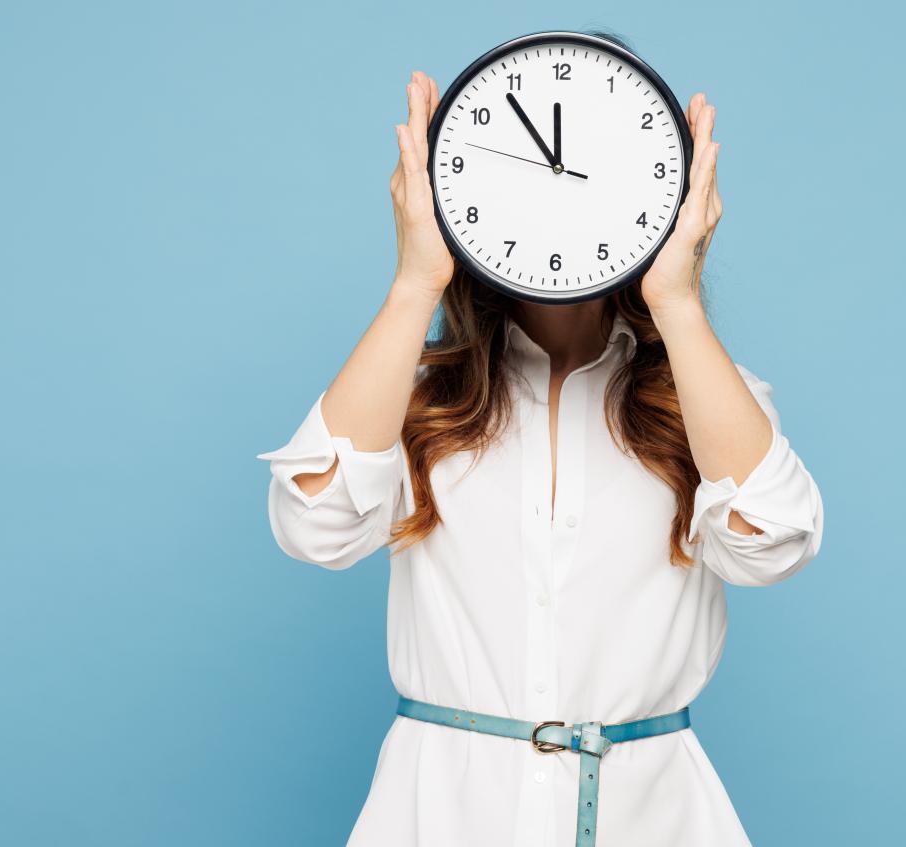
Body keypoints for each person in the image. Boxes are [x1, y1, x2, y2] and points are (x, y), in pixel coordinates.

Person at [257, 64, 824, 847]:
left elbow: (776, 542)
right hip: (441, 817)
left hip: (650, 819)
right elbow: (312, 523)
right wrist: (415, 280)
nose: (563, 193)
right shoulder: (418, 397)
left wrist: (679, 301)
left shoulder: (704, 399)